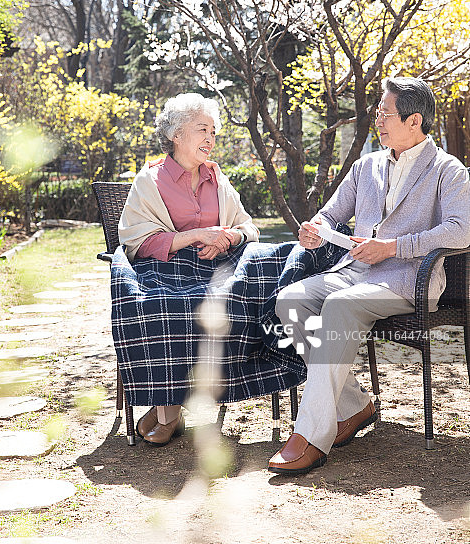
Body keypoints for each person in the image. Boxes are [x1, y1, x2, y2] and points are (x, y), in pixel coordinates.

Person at [115, 92, 347, 445]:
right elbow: (136, 241)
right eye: (201, 130)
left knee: (265, 280)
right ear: (176, 135)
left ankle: (277, 366)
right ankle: (169, 407)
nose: (210, 138)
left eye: (212, 131)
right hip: (168, 271)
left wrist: (228, 238)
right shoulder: (150, 181)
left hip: (221, 268)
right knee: (170, 309)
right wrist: (195, 235)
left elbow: (248, 228)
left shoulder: (216, 179)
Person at [268, 76, 470, 476]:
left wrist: (394, 247)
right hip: (357, 271)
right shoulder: (367, 166)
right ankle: (354, 406)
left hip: (409, 277)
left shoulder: (448, 170)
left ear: (415, 121)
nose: (377, 119)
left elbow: (461, 229)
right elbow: (331, 212)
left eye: (386, 113)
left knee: (340, 306)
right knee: (291, 300)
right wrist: (315, 228)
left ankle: (311, 435)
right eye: (378, 111)